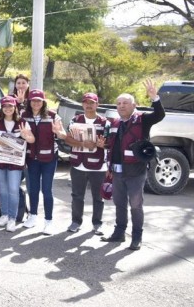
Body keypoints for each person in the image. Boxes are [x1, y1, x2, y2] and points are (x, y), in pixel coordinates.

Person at [101, 79, 164, 251]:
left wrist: (155, 98)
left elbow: (159, 115)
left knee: (135, 205)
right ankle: (119, 233)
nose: (121, 106)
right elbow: (113, 145)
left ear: (134, 105)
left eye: (125, 103)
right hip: (117, 171)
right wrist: (104, 148)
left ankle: (137, 237)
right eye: (119, 103)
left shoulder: (143, 120)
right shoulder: (114, 123)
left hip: (136, 171)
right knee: (119, 203)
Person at [0, 95, 34, 232]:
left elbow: (32, 140)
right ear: (1, 108)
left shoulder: (22, 122)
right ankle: (4, 215)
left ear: (14, 107)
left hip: (15, 161)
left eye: (10, 106)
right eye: (4, 106)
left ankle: (12, 218)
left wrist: (26, 136)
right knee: (2, 188)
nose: (7, 108)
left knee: (13, 189)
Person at [62, 92, 109, 235]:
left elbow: (110, 143)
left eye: (92, 102)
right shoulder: (75, 120)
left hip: (98, 166)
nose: (88, 105)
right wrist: (82, 144)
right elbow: (67, 139)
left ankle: (97, 223)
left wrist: (102, 145)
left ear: (97, 104)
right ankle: (76, 222)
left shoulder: (105, 123)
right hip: (78, 164)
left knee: (98, 197)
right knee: (77, 195)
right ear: (82, 104)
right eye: (86, 102)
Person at [21, 89, 66, 234]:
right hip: (31, 158)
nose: (36, 103)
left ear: (43, 102)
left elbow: (63, 134)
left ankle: (48, 221)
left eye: (39, 100)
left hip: (49, 159)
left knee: (47, 190)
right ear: (29, 102)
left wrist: (58, 132)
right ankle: (33, 216)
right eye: (33, 100)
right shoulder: (24, 115)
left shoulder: (53, 116)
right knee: (33, 189)